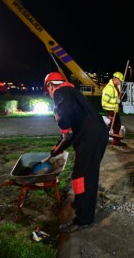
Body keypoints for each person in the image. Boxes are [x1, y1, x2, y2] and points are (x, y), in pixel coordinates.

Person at [44, 72, 109, 233]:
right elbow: (70, 133)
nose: (50, 94)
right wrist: (57, 148)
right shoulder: (73, 92)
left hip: (90, 137)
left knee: (81, 177)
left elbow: (65, 119)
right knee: (87, 174)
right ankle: (81, 203)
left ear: (51, 86)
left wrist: (63, 125)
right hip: (97, 134)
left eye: (49, 90)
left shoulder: (61, 92)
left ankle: (83, 218)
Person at [101, 72, 124, 146]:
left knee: (114, 124)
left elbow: (117, 97)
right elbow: (106, 98)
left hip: (114, 108)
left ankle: (103, 133)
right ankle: (115, 141)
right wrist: (116, 101)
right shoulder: (109, 87)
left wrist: (120, 103)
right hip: (110, 108)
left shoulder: (115, 86)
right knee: (116, 124)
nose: (120, 82)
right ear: (116, 79)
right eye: (120, 80)